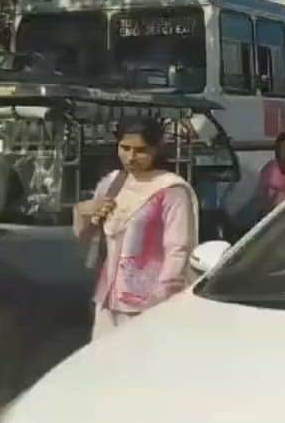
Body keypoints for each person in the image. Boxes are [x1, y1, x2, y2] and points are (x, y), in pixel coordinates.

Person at [73, 116, 200, 339]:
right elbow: (84, 235)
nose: (131, 157)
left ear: (157, 149)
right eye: (125, 148)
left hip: (150, 305)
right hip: (108, 300)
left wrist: (160, 300)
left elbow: (178, 249)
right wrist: (82, 211)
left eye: (141, 150)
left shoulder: (170, 189)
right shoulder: (113, 182)